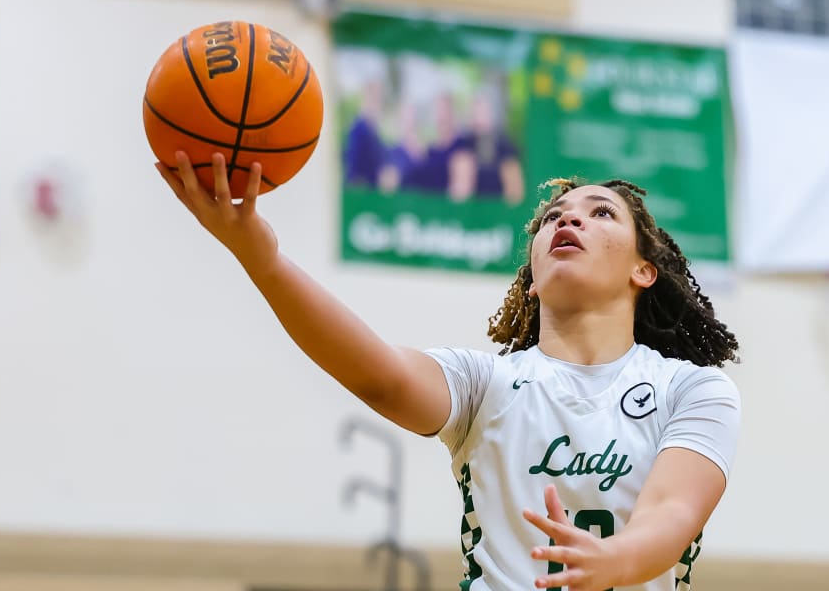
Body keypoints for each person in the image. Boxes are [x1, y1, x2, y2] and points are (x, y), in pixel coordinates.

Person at [155, 152, 742, 591]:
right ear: (532, 280)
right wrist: (261, 259)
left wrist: (617, 560)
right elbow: (377, 374)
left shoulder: (691, 389)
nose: (569, 221)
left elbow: (672, 512)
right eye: (553, 218)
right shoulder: (486, 384)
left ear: (643, 271)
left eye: (601, 213)